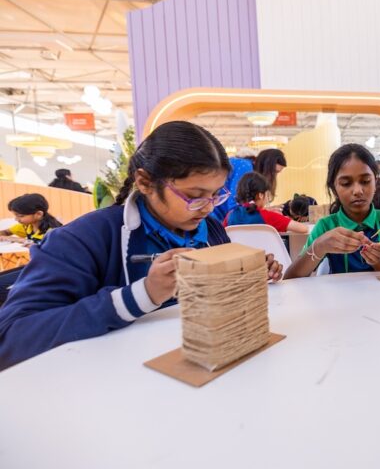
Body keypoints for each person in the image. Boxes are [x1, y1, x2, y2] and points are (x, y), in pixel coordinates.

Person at [0, 121, 283, 371]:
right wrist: (142, 294)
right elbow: (12, 338)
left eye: (215, 195)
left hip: (198, 374)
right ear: (145, 182)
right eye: (194, 195)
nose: (207, 208)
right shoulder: (83, 239)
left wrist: (244, 277)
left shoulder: (208, 231)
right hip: (109, 392)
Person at [284, 144, 380, 278]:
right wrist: (320, 246)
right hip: (339, 298)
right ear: (333, 189)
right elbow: (291, 279)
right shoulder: (326, 226)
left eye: (365, 181)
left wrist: (379, 260)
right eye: (346, 183)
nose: (358, 191)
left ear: (375, 182)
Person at [224, 172, 309, 234]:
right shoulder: (267, 216)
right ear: (261, 195)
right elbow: (303, 229)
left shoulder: (230, 215)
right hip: (263, 257)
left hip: (237, 257)